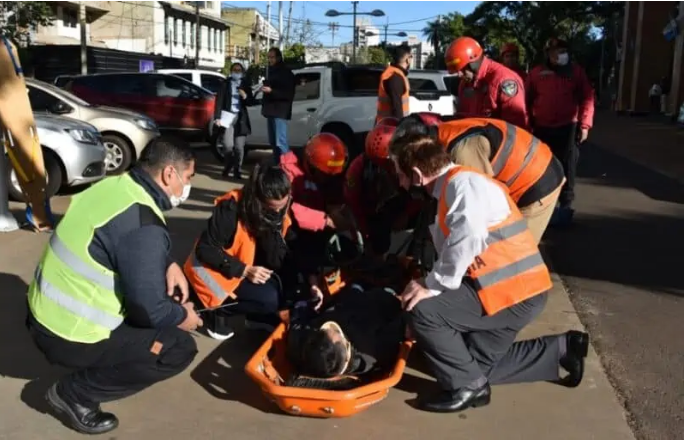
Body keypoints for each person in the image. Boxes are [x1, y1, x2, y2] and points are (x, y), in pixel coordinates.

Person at [388, 134, 589, 413]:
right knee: (471, 366)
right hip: (514, 292)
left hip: (508, 295)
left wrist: (431, 285)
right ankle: (563, 350)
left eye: (400, 175)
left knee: (422, 311)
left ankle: (468, 388)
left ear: (417, 174)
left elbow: (467, 238)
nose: (400, 183)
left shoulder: (462, 186)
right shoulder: (457, 186)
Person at [25, 138, 202, 435]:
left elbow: (118, 237)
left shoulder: (113, 187)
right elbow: (149, 311)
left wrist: (168, 262)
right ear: (169, 174)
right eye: (188, 177)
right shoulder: (144, 226)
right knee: (177, 347)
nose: (187, 186)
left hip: (41, 313)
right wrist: (183, 316)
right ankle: (75, 395)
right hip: (69, 335)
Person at [183, 164, 322, 339]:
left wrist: (312, 280)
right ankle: (213, 310)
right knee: (270, 298)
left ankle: (257, 316)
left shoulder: (282, 207)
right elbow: (205, 249)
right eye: (272, 207)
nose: (278, 211)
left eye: (282, 205)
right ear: (257, 199)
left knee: (291, 285)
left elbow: (295, 246)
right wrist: (244, 270)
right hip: (212, 275)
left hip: (243, 265)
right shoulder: (230, 210)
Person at [394, 113, 565, 243]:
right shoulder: (442, 138)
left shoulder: (462, 151)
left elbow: (480, 206)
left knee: (513, 255)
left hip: (538, 181)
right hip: (522, 173)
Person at [526, 38, 595, 224]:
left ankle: (566, 205)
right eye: (556, 52)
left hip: (568, 127)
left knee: (568, 164)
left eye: (563, 51)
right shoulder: (536, 74)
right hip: (542, 127)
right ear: (548, 55)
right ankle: (542, 205)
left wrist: (585, 125)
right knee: (541, 167)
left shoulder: (576, 72)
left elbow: (587, 98)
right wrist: (527, 125)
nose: (561, 55)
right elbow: (526, 100)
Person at [287, 284, 405, 387]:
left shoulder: (307, 346)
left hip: (348, 301)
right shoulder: (372, 351)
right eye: (337, 332)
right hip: (374, 302)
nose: (331, 327)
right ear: (345, 346)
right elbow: (397, 324)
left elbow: (298, 323)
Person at [446, 37, 529, 129]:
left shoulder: (504, 79)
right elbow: (463, 118)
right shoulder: (465, 84)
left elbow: (515, 128)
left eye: (461, 69)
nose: (459, 75)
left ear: (473, 62)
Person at [213, 62, 253, 180]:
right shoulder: (225, 84)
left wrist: (245, 96)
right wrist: (217, 117)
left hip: (241, 118)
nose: (237, 72)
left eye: (239, 70)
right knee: (227, 145)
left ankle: (237, 169)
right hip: (227, 117)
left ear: (242, 72)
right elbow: (219, 101)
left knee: (239, 147)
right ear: (231, 71)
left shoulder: (245, 84)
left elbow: (251, 102)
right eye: (235, 70)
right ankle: (229, 164)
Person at [261, 47, 296, 164]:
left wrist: (271, 91)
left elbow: (288, 94)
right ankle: (278, 165)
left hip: (280, 112)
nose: (270, 60)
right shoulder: (271, 71)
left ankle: (288, 167)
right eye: (268, 57)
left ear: (279, 58)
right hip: (271, 110)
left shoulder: (286, 73)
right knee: (273, 142)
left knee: (280, 141)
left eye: (272, 57)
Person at [376, 44, 413, 124]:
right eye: (411, 57)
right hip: (390, 127)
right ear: (408, 59)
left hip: (386, 125)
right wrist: (401, 128)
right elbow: (397, 109)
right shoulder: (395, 77)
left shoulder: (394, 73)